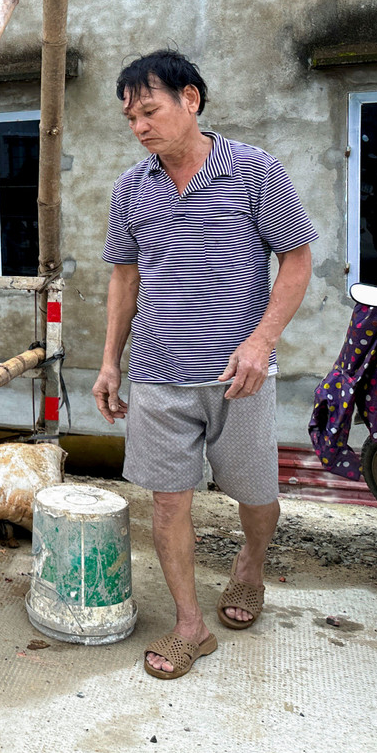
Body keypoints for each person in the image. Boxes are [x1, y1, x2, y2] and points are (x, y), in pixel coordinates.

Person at [90, 49, 316, 680]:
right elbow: (123, 278)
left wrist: (262, 341)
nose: (139, 126)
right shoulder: (131, 189)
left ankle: (251, 563)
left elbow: (296, 263)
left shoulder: (253, 171)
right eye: (130, 117)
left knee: (255, 495)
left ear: (190, 99)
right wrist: (110, 362)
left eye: (150, 109)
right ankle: (191, 625)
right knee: (167, 503)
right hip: (157, 373)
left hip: (237, 376)